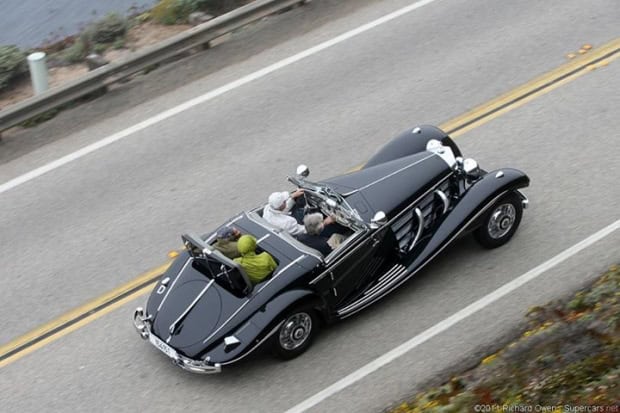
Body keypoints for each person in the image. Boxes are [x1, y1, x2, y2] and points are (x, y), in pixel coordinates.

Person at [263, 190, 334, 235]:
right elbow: (306, 230)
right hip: (297, 232)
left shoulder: (267, 208)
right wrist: (325, 222)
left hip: (285, 226)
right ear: (281, 205)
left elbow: (282, 210)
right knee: (330, 228)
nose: (286, 201)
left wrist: (293, 196)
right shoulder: (288, 222)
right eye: (285, 201)